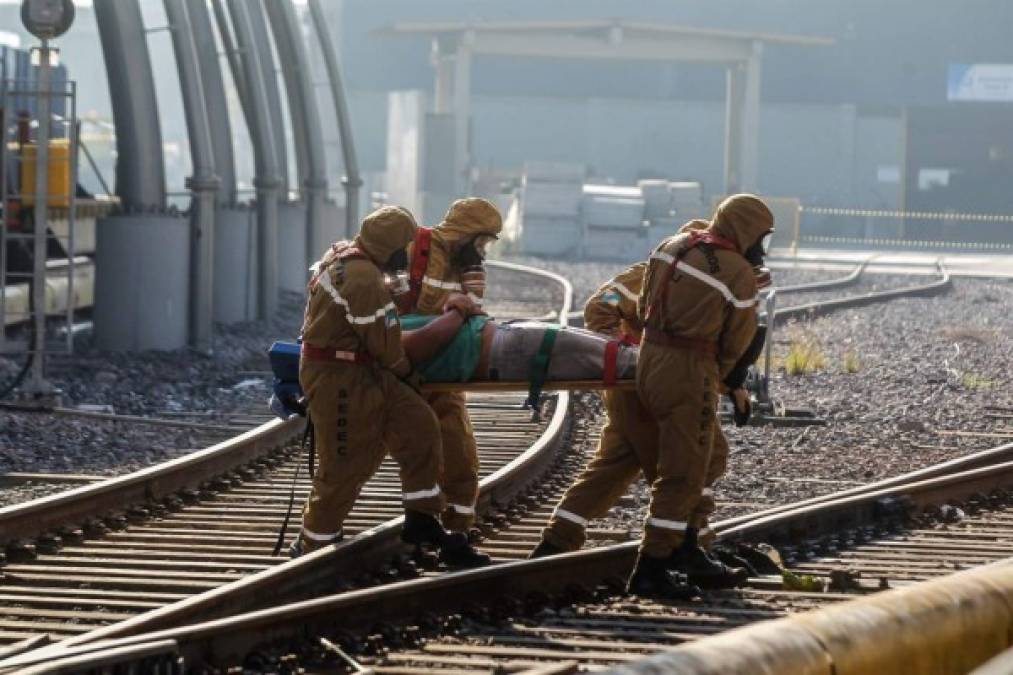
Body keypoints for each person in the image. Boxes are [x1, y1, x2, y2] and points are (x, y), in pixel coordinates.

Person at [527, 251, 767, 572]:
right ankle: (686, 547)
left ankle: (556, 540)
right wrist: (629, 358)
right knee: (702, 458)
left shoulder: (698, 284)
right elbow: (600, 307)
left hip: (648, 386)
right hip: (642, 389)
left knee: (615, 465)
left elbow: (695, 351)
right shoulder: (655, 276)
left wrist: (731, 386)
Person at [290, 206, 472, 565]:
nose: (403, 257)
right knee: (343, 464)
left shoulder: (352, 258)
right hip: (339, 378)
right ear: (388, 246)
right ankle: (314, 547)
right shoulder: (362, 279)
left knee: (418, 422)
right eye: (401, 249)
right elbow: (388, 347)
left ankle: (422, 517)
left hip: (364, 369)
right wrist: (414, 374)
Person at [626, 193, 774, 599]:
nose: (761, 247)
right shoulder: (736, 270)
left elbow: (642, 306)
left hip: (650, 357)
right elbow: (738, 340)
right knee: (685, 469)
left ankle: (689, 546)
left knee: (712, 454)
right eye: (761, 237)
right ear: (747, 231)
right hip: (689, 369)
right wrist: (724, 379)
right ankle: (651, 567)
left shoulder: (670, 246)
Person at [403, 198, 503, 566]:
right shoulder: (416, 248)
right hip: (403, 372)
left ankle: (455, 536)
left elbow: (473, 314)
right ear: (467, 233)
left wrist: (473, 282)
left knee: (460, 456)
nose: (482, 251)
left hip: (442, 375)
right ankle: (317, 537)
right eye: (481, 242)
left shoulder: (465, 264)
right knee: (396, 458)